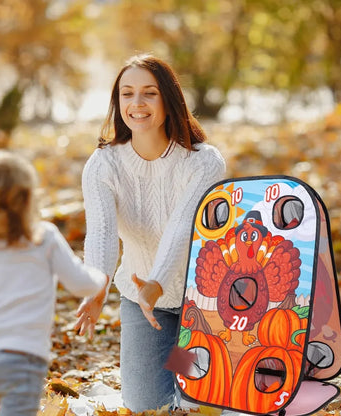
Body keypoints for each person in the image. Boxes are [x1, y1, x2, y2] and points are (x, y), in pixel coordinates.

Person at [75, 54, 226, 412]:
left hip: (203, 302)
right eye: (127, 94)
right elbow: (101, 233)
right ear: (117, 102)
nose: (136, 104)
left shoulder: (204, 161)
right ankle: (177, 370)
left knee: (198, 405)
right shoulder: (104, 164)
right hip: (143, 306)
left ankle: (191, 376)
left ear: (169, 100)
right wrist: (98, 288)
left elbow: (182, 228)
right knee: (145, 405)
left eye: (149, 93)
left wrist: (156, 283)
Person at [0, 150, 108, 416]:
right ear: (28, 199)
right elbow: (80, 284)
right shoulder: (44, 240)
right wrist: (100, 279)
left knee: (12, 402)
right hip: (22, 358)